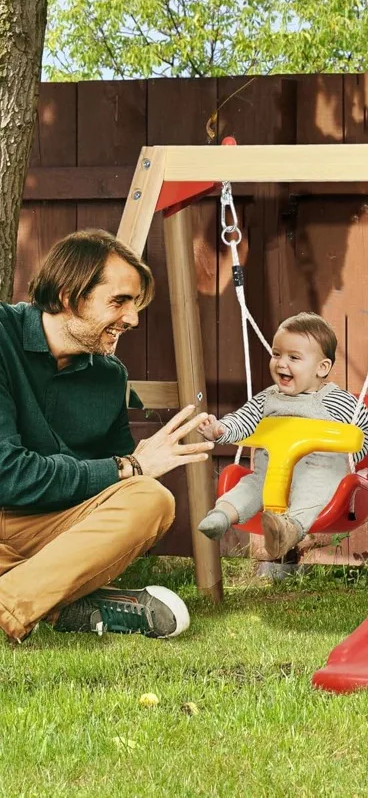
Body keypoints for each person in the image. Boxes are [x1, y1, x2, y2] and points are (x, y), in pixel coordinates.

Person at [0, 229, 214, 643]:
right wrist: (129, 465)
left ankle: (19, 602)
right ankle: (58, 602)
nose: (132, 318)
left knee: (151, 499)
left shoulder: (109, 377)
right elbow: (6, 474)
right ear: (68, 297)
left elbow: (116, 488)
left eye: (135, 304)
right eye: (119, 302)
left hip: (48, 535)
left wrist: (134, 471)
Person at [196, 313, 368, 560]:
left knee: (314, 492)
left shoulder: (337, 401)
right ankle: (222, 516)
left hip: (317, 472)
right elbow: (244, 420)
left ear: (321, 368)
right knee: (248, 487)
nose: (282, 364)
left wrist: (351, 456)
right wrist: (220, 429)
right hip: (270, 472)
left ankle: (288, 531)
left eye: (294, 357)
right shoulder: (267, 398)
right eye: (276, 354)